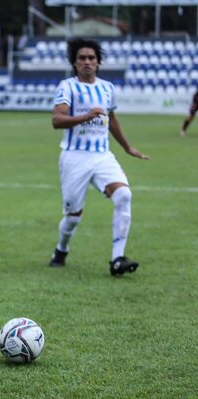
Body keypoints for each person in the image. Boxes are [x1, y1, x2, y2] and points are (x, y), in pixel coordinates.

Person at [48, 38, 149, 276]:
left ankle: (117, 260)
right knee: (73, 217)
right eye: (82, 58)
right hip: (75, 157)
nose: (87, 62)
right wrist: (85, 115)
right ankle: (61, 250)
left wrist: (127, 147)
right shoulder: (67, 87)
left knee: (124, 195)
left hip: (103, 156)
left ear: (98, 62)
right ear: (74, 62)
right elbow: (57, 120)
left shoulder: (107, 88)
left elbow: (111, 119)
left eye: (91, 58)